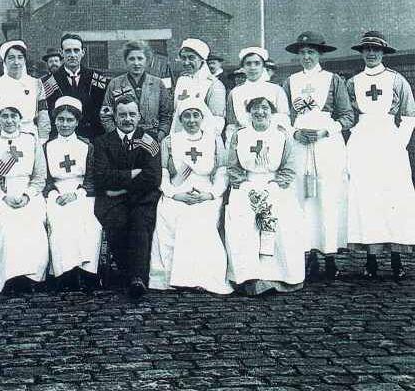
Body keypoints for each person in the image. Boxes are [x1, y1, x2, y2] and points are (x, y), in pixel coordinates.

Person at [282, 32, 353, 280]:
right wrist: (295, 132)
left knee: (327, 195)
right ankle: (307, 254)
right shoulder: (290, 82)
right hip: (300, 144)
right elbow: (283, 117)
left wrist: (325, 130)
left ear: (320, 54)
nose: (306, 57)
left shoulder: (333, 80)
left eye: (311, 52)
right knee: (302, 197)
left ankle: (330, 255)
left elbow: (347, 116)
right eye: (302, 53)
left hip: (327, 145)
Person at [346, 31, 415, 279]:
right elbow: (347, 116)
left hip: (389, 142)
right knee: (366, 197)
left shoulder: (397, 81)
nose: (371, 53)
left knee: (392, 197)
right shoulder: (352, 82)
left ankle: (396, 258)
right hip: (362, 141)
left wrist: (398, 143)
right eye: (367, 49)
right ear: (362, 52)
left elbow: (409, 115)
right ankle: (371, 258)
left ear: (383, 53)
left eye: (376, 49)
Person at [149, 98, 232, 294]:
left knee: (199, 218)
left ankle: (202, 276)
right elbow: (163, 173)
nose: (192, 120)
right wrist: (174, 194)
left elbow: (222, 172)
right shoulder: (169, 141)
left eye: (196, 115)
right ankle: (170, 276)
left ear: (203, 117)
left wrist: (210, 194)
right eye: (186, 115)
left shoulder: (213, 140)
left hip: (206, 191)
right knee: (168, 211)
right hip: (178, 191)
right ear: (180, 118)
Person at [224, 96, 304, 295]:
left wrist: (276, 185)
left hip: (275, 184)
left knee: (281, 221)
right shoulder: (240, 135)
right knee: (243, 223)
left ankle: (279, 276)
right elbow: (232, 165)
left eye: (264, 108)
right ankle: (249, 276)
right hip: (245, 184)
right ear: (249, 112)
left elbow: (289, 166)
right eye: (255, 108)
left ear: (271, 112)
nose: (260, 112)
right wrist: (245, 185)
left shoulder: (282, 135)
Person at [93, 95, 162, 298]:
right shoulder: (103, 142)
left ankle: (137, 278)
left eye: (132, 114)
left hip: (143, 199)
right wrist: (132, 174)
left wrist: (121, 186)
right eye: (122, 115)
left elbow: (153, 177)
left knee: (140, 224)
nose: (127, 119)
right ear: (114, 116)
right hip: (112, 201)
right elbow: (101, 176)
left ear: (139, 116)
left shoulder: (149, 140)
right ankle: (125, 273)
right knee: (118, 222)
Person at [0, 106, 49, 293]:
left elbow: (40, 176)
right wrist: (4, 197)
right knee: (6, 226)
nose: (9, 121)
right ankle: (10, 277)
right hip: (2, 194)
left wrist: (27, 195)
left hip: (29, 192)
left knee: (32, 224)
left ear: (20, 119)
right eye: (4, 116)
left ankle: (32, 277)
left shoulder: (31, 140)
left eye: (13, 116)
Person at [44, 96, 102, 289]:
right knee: (60, 220)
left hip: (83, 192)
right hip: (56, 193)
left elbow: (92, 178)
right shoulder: (46, 147)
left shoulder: (86, 146)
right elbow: (46, 180)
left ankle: (87, 271)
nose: (65, 124)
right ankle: (65, 272)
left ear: (77, 122)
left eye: (70, 120)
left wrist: (77, 194)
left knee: (89, 222)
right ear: (55, 121)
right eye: (61, 119)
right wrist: (54, 195)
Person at [101, 40, 172, 145]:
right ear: (125, 61)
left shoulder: (158, 84)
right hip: (123, 140)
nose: (136, 63)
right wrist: (117, 136)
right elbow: (106, 114)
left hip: (152, 138)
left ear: (146, 60)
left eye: (140, 58)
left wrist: (159, 137)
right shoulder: (115, 84)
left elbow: (167, 115)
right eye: (131, 59)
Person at [43, 34, 109, 141]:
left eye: (76, 50)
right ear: (61, 53)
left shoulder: (97, 78)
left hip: (93, 138)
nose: (72, 55)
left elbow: (103, 109)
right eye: (68, 51)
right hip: (62, 139)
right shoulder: (50, 82)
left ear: (83, 52)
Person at [0, 40, 51, 144]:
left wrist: (43, 139)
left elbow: (43, 114)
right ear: (4, 61)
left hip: (30, 135)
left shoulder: (35, 83)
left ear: (24, 60)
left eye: (20, 57)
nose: (16, 62)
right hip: (4, 136)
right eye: (11, 58)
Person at [225, 47, 291, 146]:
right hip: (245, 141)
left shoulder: (276, 90)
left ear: (263, 66)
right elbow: (232, 124)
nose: (252, 67)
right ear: (243, 67)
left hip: (272, 140)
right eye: (248, 63)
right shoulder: (235, 93)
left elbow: (284, 119)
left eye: (257, 63)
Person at [171, 38, 226, 135]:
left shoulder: (214, 84)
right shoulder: (181, 81)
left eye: (191, 58)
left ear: (202, 59)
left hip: (203, 139)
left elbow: (217, 121)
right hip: (180, 136)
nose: (186, 62)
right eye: (183, 58)